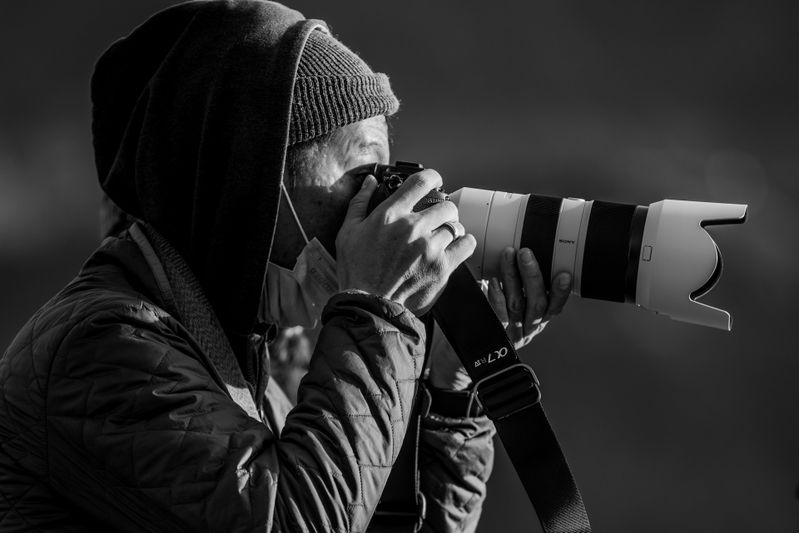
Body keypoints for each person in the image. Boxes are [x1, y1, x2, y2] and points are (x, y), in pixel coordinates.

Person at [0, 1, 571, 531]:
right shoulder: (104, 347)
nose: (374, 208)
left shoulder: (268, 361)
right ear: (245, 187)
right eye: (357, 178)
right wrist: (380, 310)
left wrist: (449, 393)